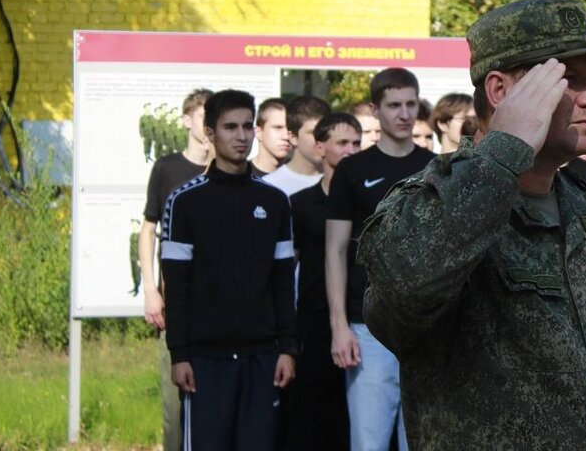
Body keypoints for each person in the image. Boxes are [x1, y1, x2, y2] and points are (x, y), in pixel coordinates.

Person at [358, 0, 586, 450]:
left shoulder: (583, 208)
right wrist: (507, 149)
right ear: (500, 91)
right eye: (569, 79)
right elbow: (401, 298)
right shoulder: (432, 203)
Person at [161, 89, 297, 450]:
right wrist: (180, 354)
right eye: (230, 127)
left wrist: (287, 348)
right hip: (205, 361)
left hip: (261, 358)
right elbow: (176, 286)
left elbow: (283, 283)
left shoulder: (274, 201)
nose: (241, 136)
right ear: (209, 132)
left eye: (247, 126)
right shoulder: (185, 201)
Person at [326, 69, 435, 451]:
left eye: (410, 104)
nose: (404, 114)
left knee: (423, 441)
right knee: (368, 441)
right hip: (367, 325)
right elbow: (335, 250)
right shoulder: (353, 170)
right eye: (394, 105)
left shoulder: (438, 167)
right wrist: (339, 325)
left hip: (428, 326)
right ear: (376, 110)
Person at [138, 87, 213, 451]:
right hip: (176, 304)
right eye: (204, 117)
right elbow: (149, 229)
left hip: (220, 309)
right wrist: (151, 289)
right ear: (187, 120)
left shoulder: (230, 171)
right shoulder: (168, 168)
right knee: (175, 405)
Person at [288, 112, 363, 450]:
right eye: (342, 143)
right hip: (315, 324)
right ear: (320, 147)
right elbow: (289, 266)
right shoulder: (300, 204)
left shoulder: (369, 201)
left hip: (361, 322)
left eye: (357, 143)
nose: (351, 150)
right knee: (314, 418)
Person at [264, 95, 331, 198]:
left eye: (326, 132)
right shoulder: (269, 187)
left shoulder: (343, 184)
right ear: (293, 138)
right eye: (313, 132)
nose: (321, 139)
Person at [253, 97, 292, 178]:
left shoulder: (301, 180)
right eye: (278, 128)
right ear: (258, 132)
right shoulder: (240, 177)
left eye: (290, 128)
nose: (286, 136)